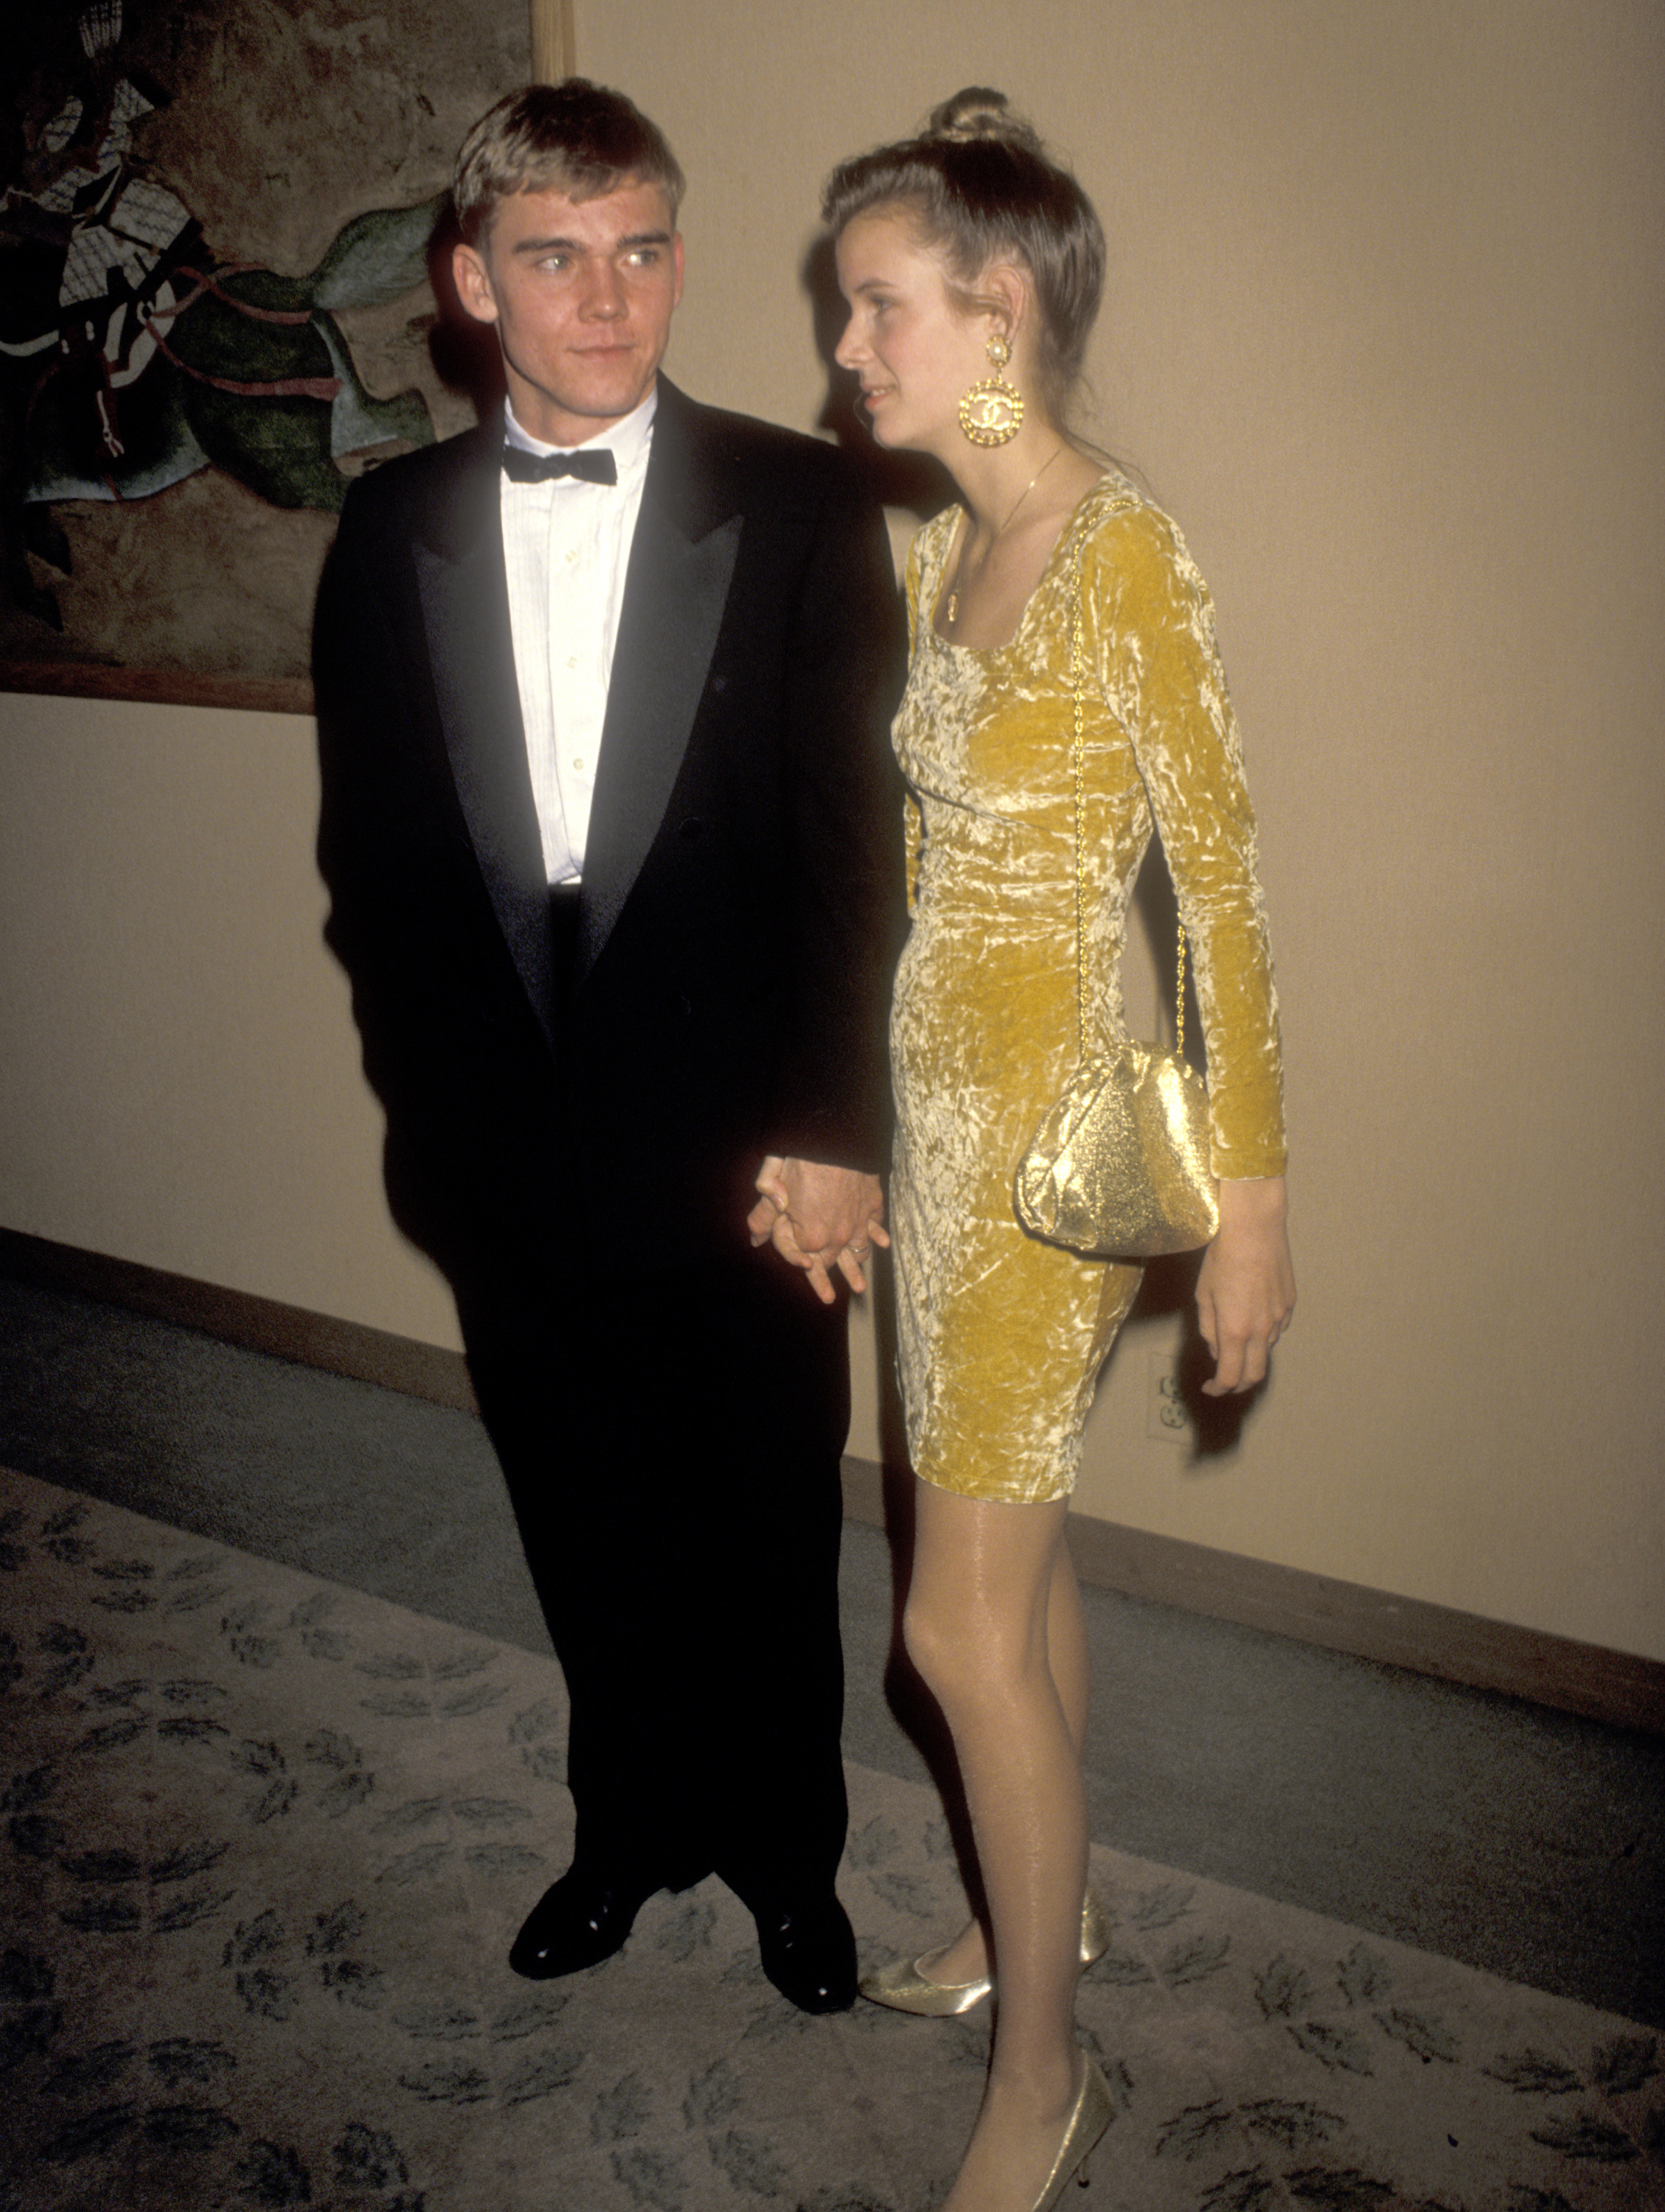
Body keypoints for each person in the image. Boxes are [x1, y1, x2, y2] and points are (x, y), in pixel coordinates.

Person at [313, 80, 905, 2014]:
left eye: (640, 248)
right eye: (555, 257)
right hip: (506, 1133)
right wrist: (427, 1108)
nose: (607, 297)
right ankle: (627, 1825)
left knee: (757, 1513)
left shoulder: (795, 497)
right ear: (474, 282)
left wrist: (836, 1123)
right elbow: (376, 863)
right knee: (579, 1509)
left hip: (746, 1134)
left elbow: (850, 851)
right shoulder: (389, 525)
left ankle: (786, 1859)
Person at [822, 91, 1294, 2211]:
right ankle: (1052, 1914)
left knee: (947, 1627)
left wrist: (1256, 1209)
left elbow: (1224, 901)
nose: (851, 348)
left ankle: (1045, 2068)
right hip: (927, 1134)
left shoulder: (1124, 557)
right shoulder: (945, 547)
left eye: (878, 309)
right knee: (1008, 1560)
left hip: (1034, 1159)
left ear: (997, 312)